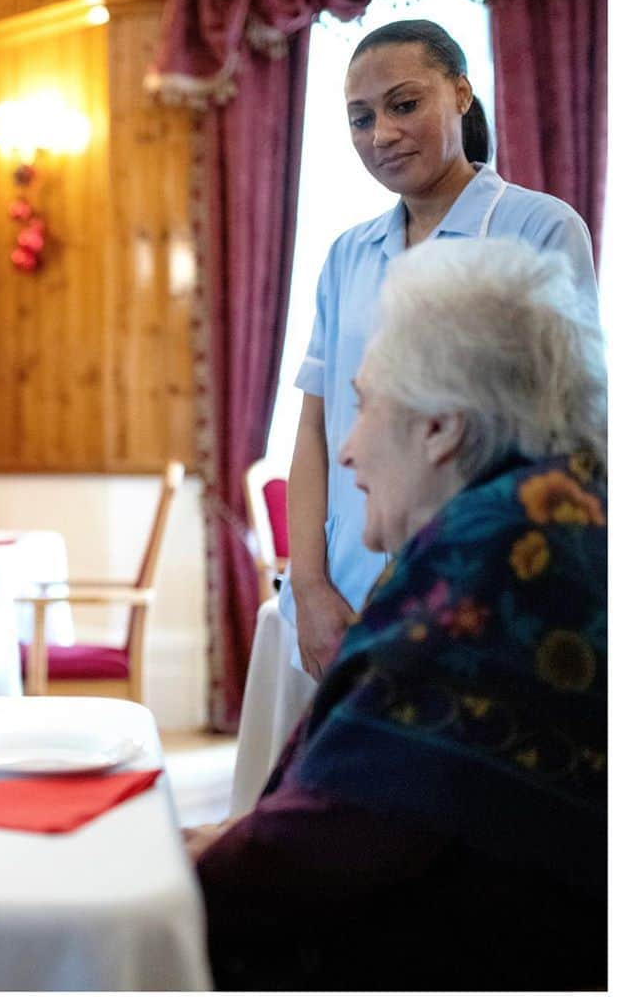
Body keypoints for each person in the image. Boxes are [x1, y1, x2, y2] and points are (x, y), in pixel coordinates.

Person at [188, 238, 606, 989]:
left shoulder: (494, 570)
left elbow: (318, 851)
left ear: (440, 427)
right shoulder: (555, 515)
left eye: (367, 403)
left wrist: (151, 873)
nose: (345, 449)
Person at [280, 19, 599, 680]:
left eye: (404, 104)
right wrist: (307, 586)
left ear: (460, 93)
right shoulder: (347, 254)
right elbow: (315, 426)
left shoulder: (536, 227)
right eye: (360, 119)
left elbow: (565, 432)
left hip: (482, 580)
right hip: (346, 585)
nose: (382, 135)